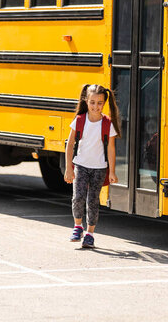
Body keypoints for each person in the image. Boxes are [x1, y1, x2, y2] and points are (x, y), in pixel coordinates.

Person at [64, 84, 121, 249]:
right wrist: (69, 167)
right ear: (86, 101)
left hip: (99, 168)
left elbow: (111, 148)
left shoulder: (107, 123)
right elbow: (70, 144)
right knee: (78, 197)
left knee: (93, 201)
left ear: (104, 103)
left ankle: (89, 234)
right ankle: (77, 227)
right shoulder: (80, 120)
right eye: (92, 102)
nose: (96, 106)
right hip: (80, 165)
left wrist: (112, 171)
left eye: (100, 103)